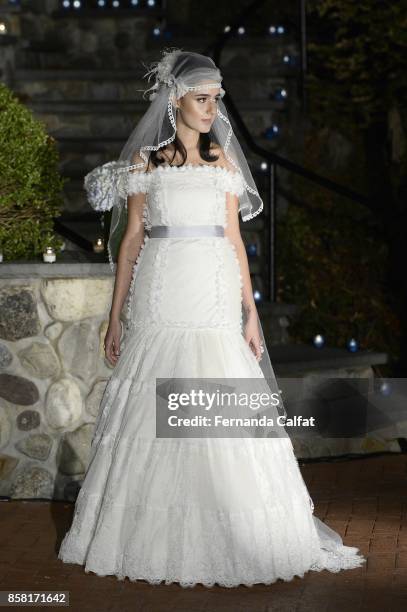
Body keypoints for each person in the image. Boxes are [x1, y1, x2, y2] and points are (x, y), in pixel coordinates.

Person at [57, 48, 365, 588]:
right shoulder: (145, 164)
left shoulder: (223, 163)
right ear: (175, 100)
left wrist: (250, 313)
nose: (211, 108)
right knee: (151, 398)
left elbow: (236, 244)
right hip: (160, 289)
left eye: (216, 99)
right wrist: (115, 317)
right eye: (202, 99)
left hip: (213, 289)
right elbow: (130, 241)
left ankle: (235, 529)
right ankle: (143, 531)